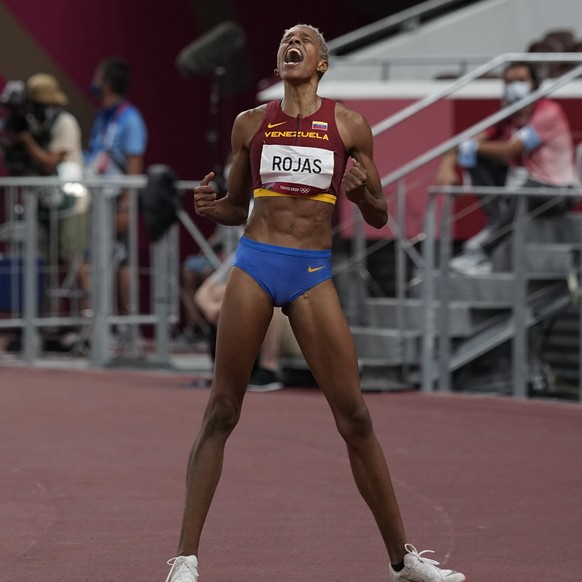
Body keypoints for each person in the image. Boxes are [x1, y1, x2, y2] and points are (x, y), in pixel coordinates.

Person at [164, 24, 465, 582]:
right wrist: (212, 208)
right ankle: (184, 559)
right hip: (256, 264)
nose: (289, 45)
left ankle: (403, 561)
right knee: (223, 410)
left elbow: (378, 215)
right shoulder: (249, 124)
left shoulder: (349, 127)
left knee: (354, 417)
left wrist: (363, 194)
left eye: (302, 40)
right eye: (283, 40)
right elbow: (235, 206)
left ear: (322, 62)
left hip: (310, 272)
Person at [436, 61, 579, 275]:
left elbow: (512, 150)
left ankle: (482, 253)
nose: (514, 86)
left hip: (559, 192)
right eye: (509, 82)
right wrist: (447, 165)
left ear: (535, 84)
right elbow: (467, 141)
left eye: (521, 81)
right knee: (477, 157)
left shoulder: (548, 112)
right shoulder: (509, 118)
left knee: (520, 185)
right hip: (524, 184)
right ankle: (496, 222)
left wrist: (469, 146)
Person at [8, 74, 91, 351]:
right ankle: (42, 329)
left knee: (75, 263)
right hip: (44, 205)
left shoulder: (64, 122)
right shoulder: (35, 124)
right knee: (43, 268)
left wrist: (26, 139)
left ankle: (88, 331)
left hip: (69, 204)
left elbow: (48, 162)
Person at [85, 57, 148, 320]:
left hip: (117, 201)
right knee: (96, 260)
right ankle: (101, 323)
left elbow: (134, 166)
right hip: (97, 198)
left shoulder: (130, 119)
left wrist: (125, 206)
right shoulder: (102, 116)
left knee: (124, 262)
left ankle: (129, 324)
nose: (95, 82)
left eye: (98, 77)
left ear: (108, 83)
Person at [193, 252, 284, 392]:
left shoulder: (277, 252)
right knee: (218, 292)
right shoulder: (243, 251)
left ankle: (268, 368)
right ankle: (227, 370)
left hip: (280, 301)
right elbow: (202, 292)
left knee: (268, 296)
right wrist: (212, 308)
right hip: (247, 303)